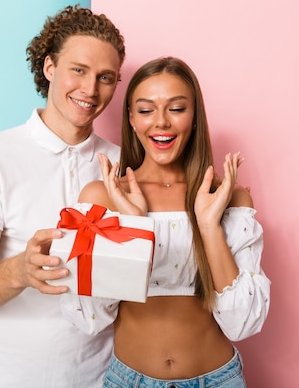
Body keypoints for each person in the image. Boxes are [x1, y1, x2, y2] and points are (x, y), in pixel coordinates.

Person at [60, 57, 271, 387]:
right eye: (145, 110)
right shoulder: (102, 196)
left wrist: (208, 226)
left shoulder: (227, 197)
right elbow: (89, 316)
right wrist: (131, 225)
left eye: (176, 108)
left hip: (219, 379)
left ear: (195, 116)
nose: (161, 123)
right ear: (131, 118)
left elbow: (241, 324)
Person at [0, 4, 125, 388]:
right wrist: (20, 271)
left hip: (106, 380)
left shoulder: (123, 165)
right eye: (78, 70)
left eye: (106, 77)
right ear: (50, 68)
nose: (90, 90)